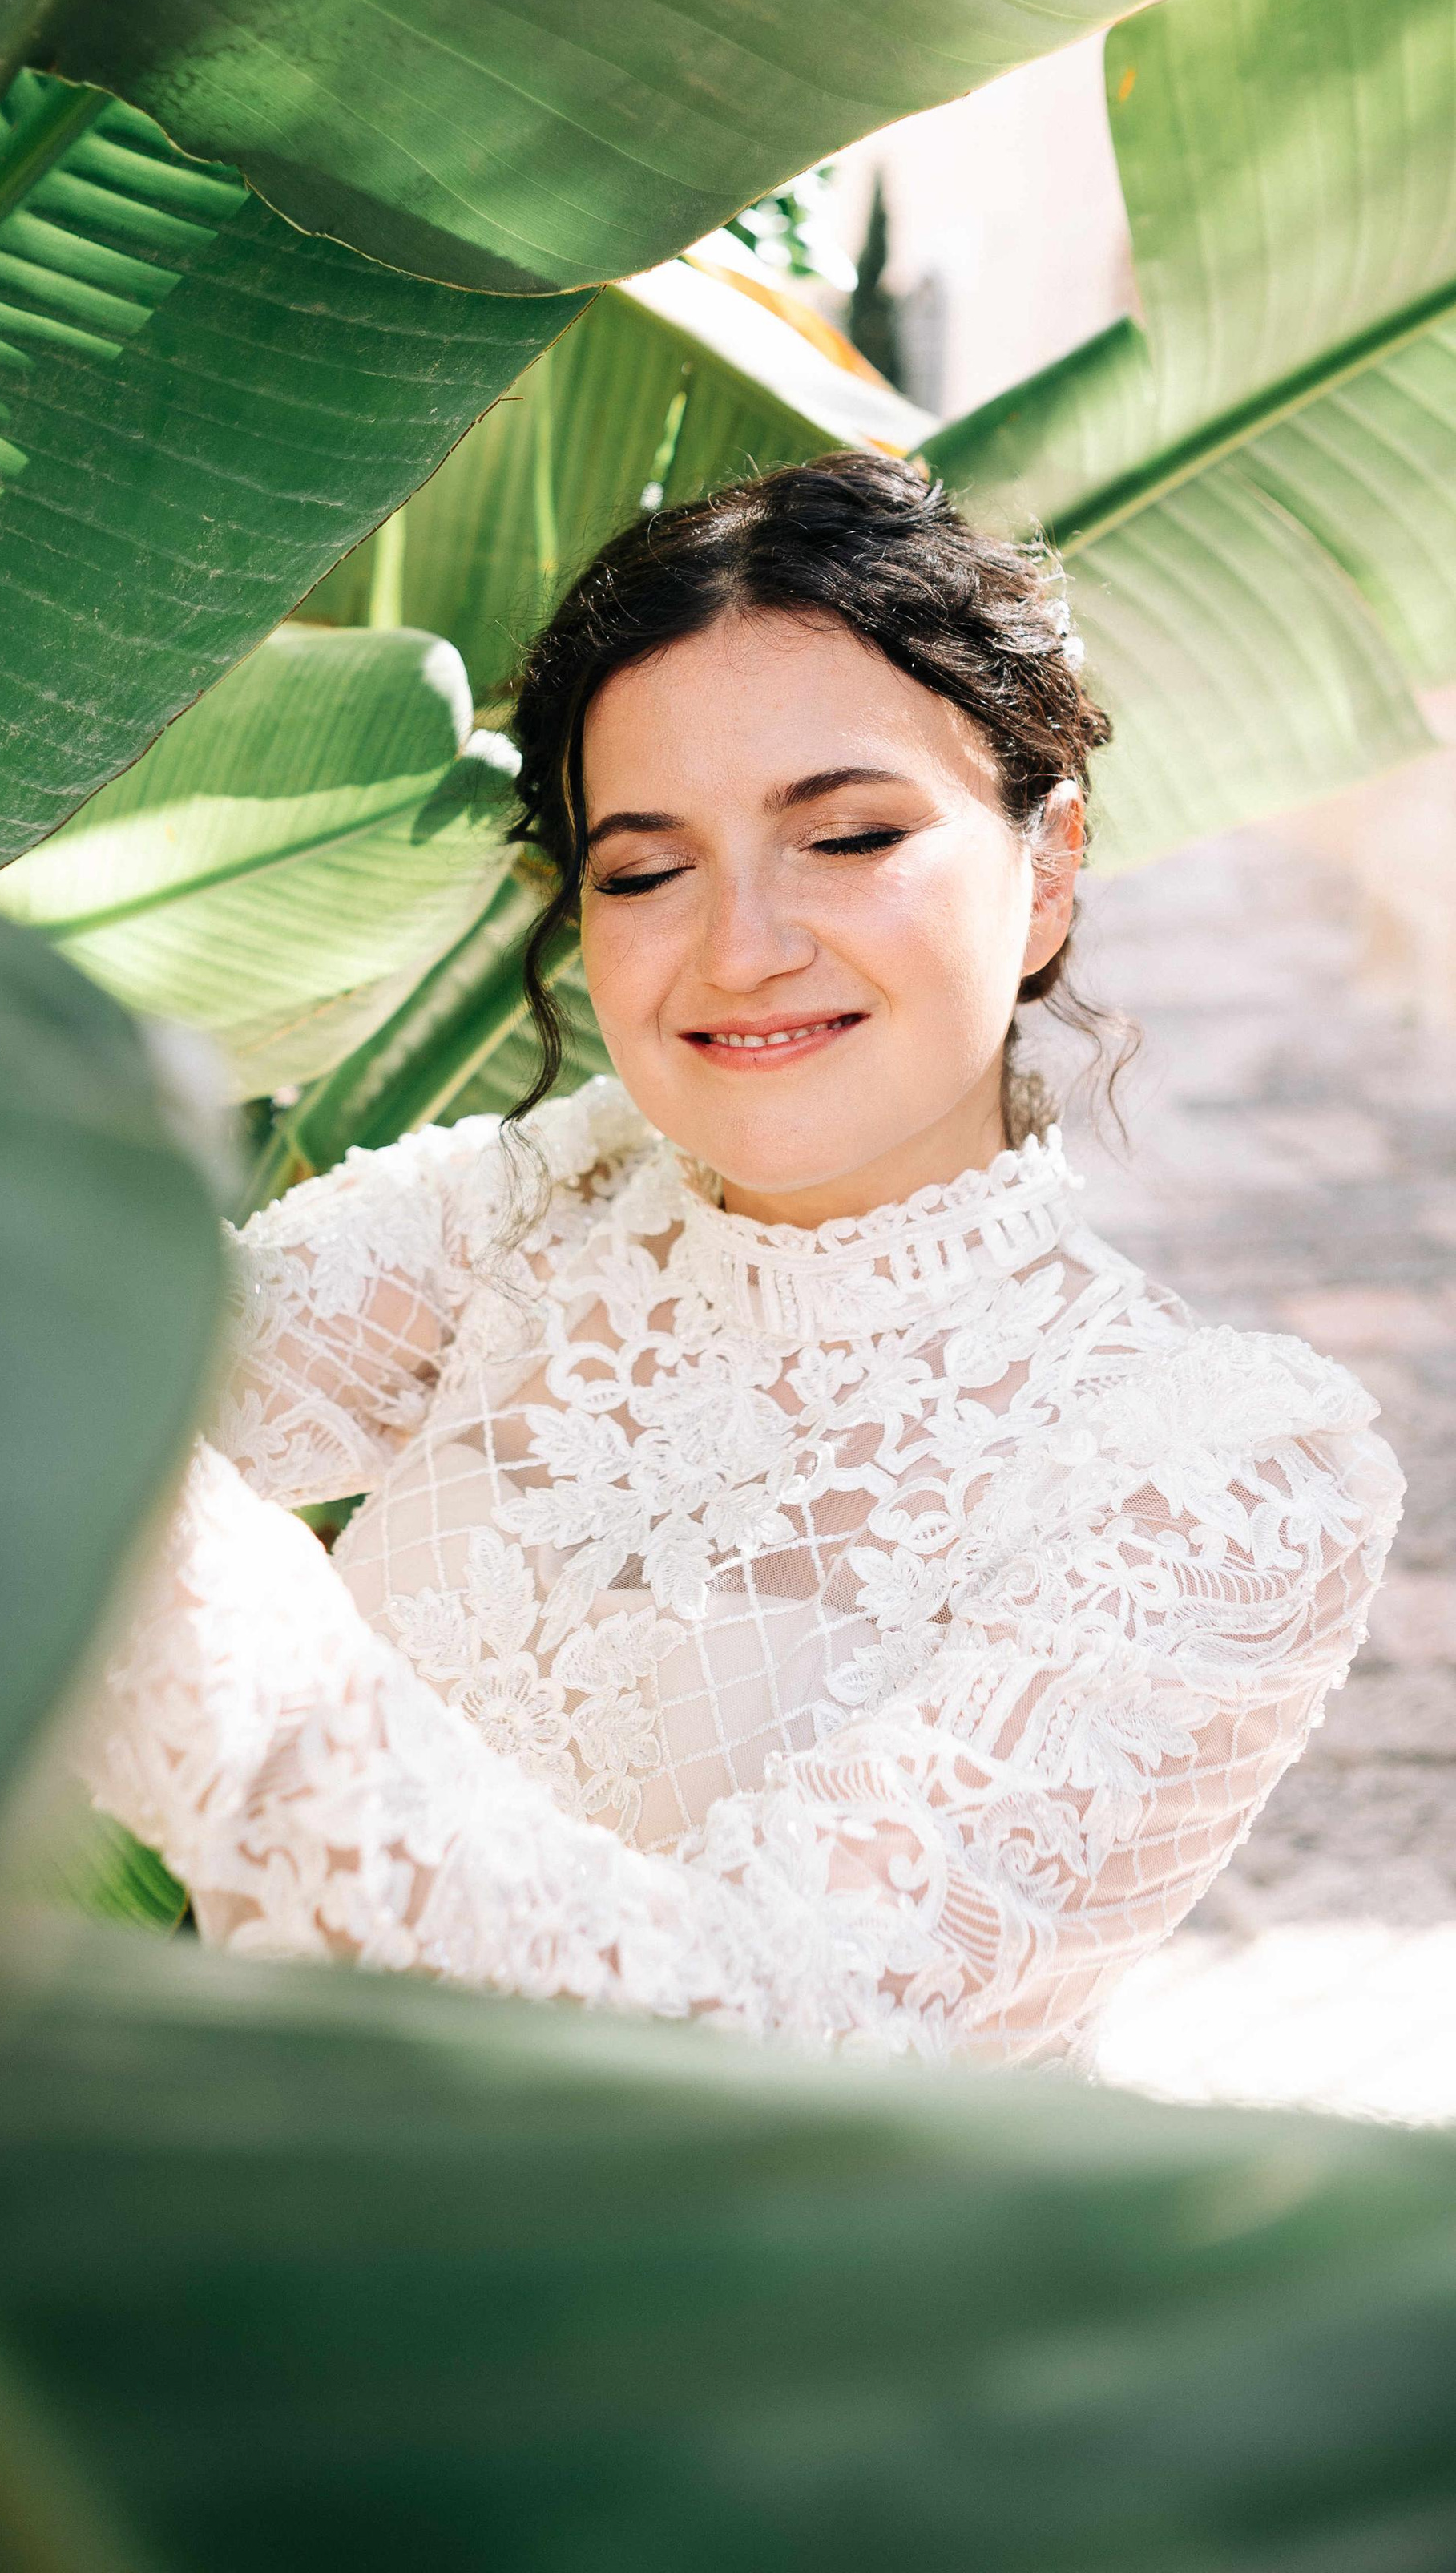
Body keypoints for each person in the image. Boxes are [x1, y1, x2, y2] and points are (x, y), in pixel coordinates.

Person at [86, 455, 1400, 2065]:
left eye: (843, 838)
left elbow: (775, 2027)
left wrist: (217, 1644)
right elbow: (40, 1384)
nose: (737, 949)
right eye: (643, 870)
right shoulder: (523, 1211)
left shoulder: (1220, 1480)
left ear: (1045, 867)